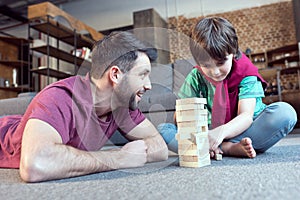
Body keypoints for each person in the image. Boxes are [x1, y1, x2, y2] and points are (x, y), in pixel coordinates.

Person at [0, 31, 168, 182]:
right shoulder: (59, 97)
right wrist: (119, 158)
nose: (149, 85)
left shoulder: (123, 104)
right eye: (142, 75)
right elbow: (35, 165)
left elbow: (161, 148)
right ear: (115, 75)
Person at [158, 16, 297, 158]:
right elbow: (180, 117)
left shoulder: (246, 73)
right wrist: (193, 127)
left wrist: (220, 133)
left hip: (245, 128)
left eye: (221, 63)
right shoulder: (196, 75)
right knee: (164, 130)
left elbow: (246, 117)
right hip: (209, 132)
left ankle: (216, 147)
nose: (215, 72)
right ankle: (226, 148)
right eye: (206, 65)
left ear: (233, 52)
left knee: (286, 113)